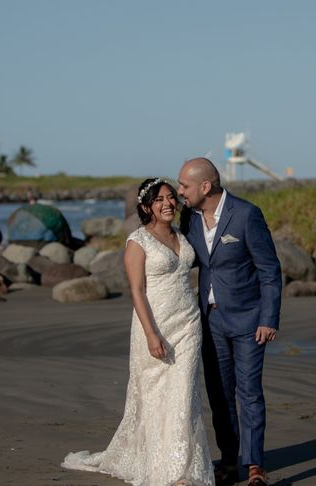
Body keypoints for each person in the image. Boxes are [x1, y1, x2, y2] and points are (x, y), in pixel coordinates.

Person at [62, 178, 213, 486]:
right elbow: (137, 291)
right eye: (159, 200)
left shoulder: (183, 236)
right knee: (155, 397)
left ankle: (180, 471)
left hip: (188, 324)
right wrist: (151, 334)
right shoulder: (137, 241)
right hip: (154, 326)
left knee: (184, 396)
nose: (168, 203)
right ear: (146, 207)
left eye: (171, 197)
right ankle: (160, 463)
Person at [178, 158, 282, 486]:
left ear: (205, 186)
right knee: (219, 394)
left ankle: (254, 467)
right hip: (209, 322)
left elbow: (269, 269)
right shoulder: (188, 218)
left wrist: (269, 318)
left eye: (184, 186)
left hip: (250, 321)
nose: (180, 191)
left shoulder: (247, 214)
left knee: (249, 393)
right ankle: (229, 460)